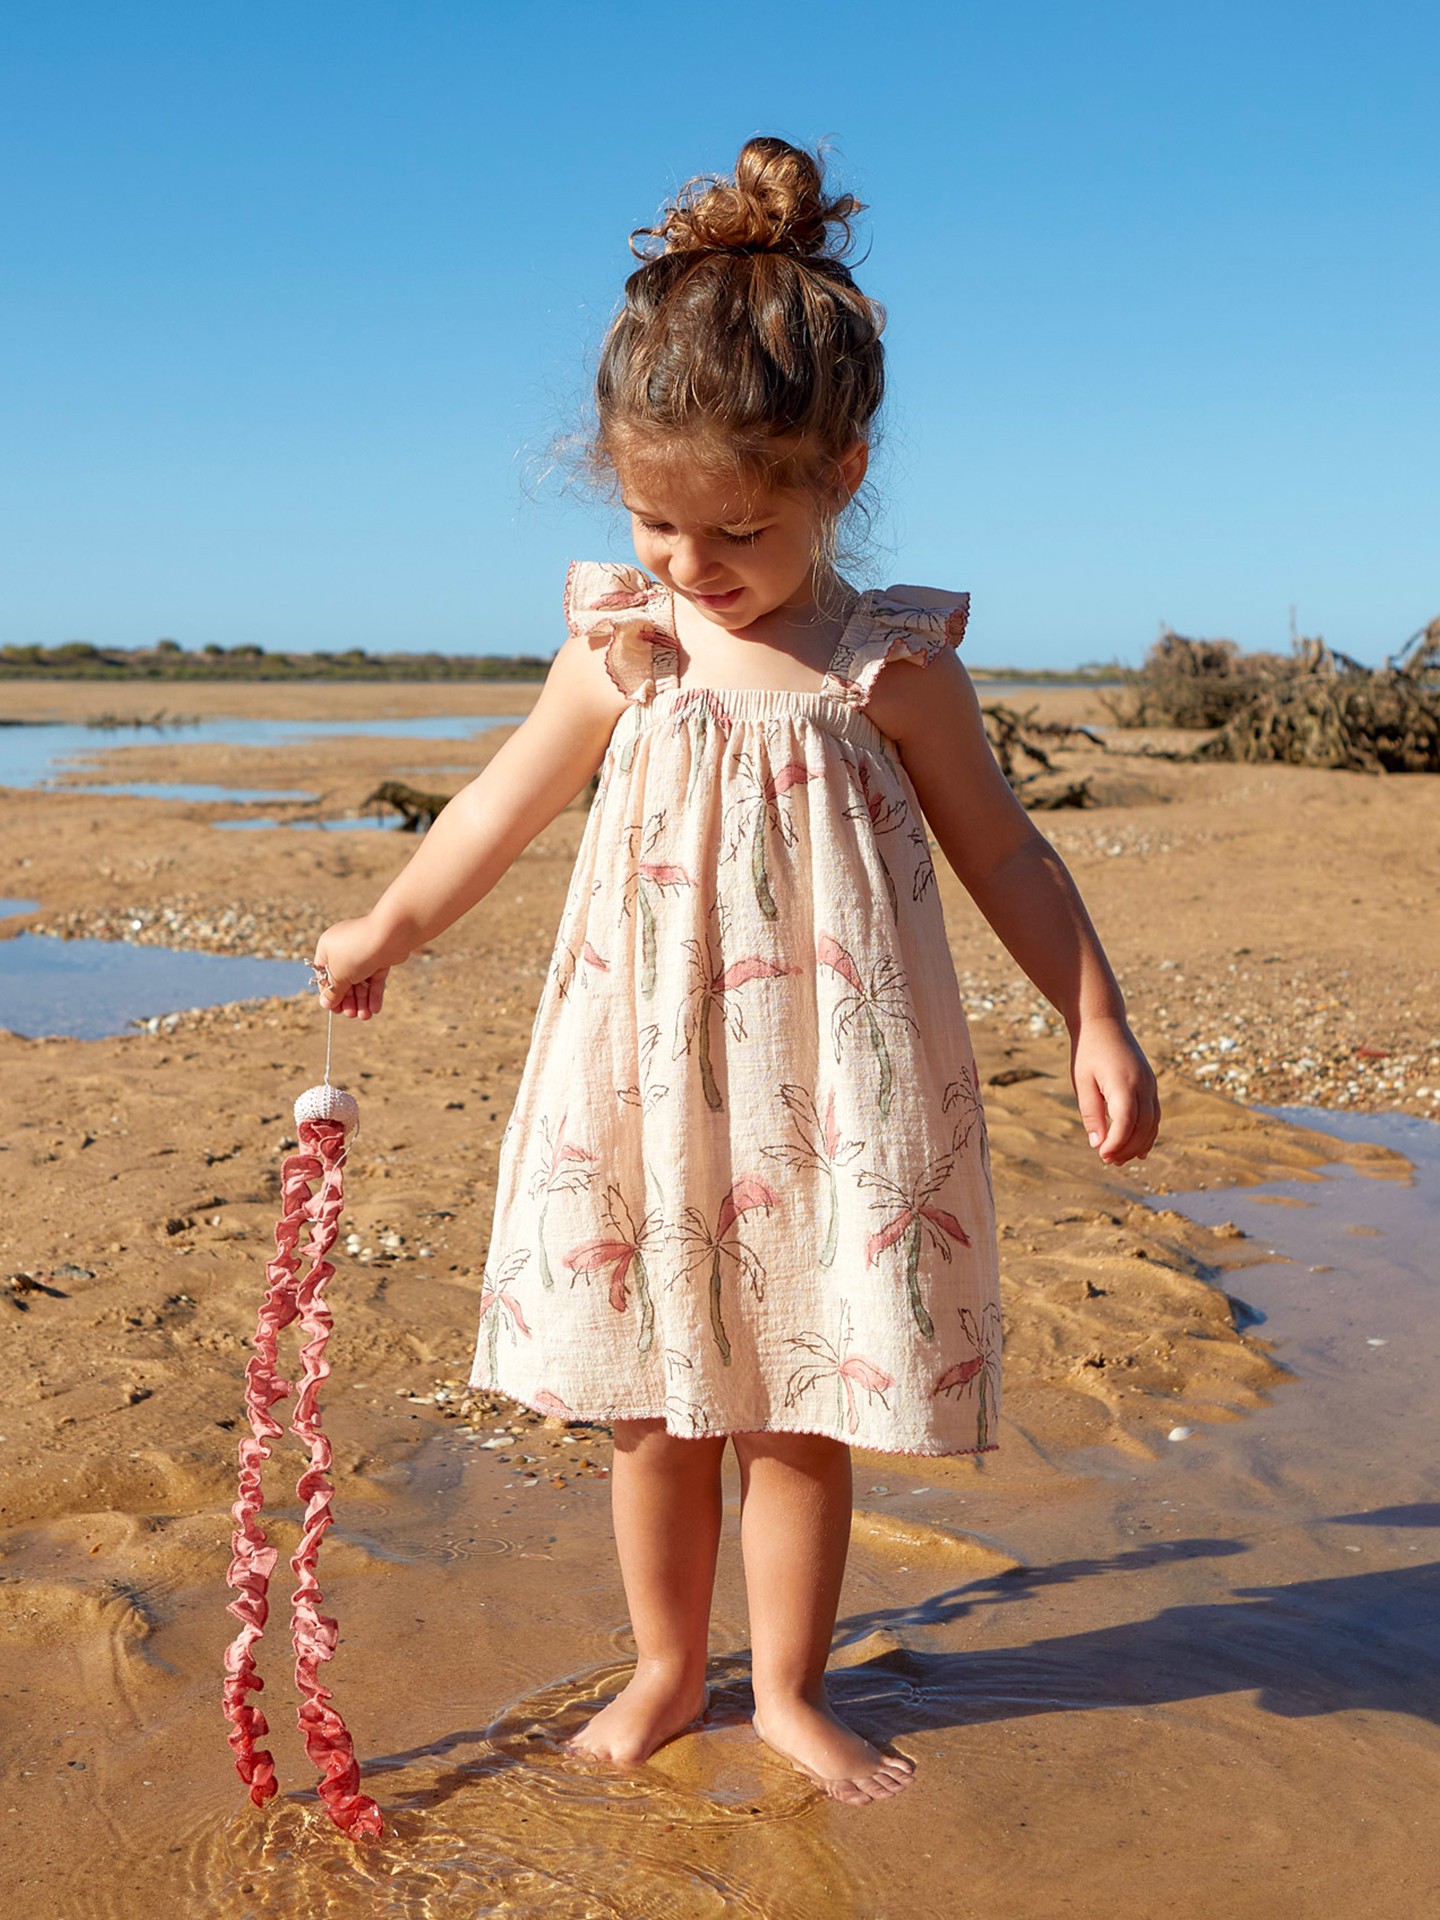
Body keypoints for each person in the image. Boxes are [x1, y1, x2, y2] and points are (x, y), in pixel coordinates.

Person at [313, 134, 1160, 1807]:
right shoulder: (623, 646)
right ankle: (660, 1668)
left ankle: (784, 1686)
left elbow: (1006, 851)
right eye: (657, 521)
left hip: (831, 1088)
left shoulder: (888, 670)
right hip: (642, 1070)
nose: (696, 564)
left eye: (741, 529)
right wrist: (391, 924)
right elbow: (500, 800)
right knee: (654, 1397)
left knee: (799, 1401)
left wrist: (1096, 1013)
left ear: (842, 473)